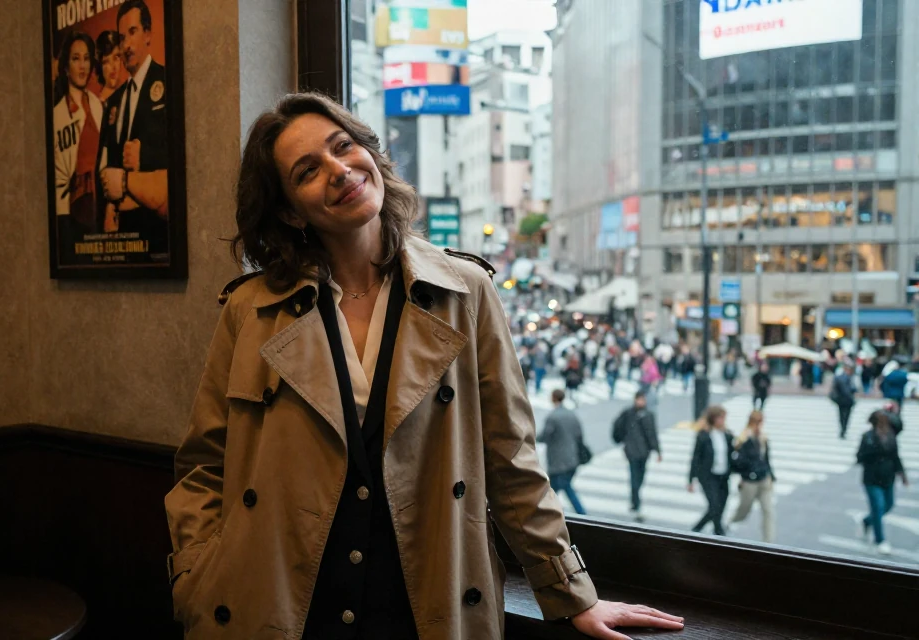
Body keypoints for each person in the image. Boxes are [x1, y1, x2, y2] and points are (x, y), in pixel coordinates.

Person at [164, 93, 684, 639]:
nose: (339, 171)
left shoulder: (466, 293)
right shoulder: (252, 311)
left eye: (344, 147)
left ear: (370, 153)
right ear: (292, 208)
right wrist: (197, 576)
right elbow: (204, 464)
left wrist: (571, 591)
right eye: (308, 170)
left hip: (424, 601)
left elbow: (511, 458)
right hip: (277, 604)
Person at [98, 0, 171, 258]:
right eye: (121, 37)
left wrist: (146, 156)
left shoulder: (167, 81)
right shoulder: (115, 101)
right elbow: (109, 162)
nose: (126, 45)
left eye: (133, 32)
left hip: (158, 232)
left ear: (148, 34)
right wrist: (110, 206)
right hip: (124, 232)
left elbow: (189, 155)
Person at [52, 31, 104, 241]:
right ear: (66, 67)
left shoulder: (99, 106)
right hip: (67, 217)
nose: (82, 66)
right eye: (75, 59)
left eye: (86, 58)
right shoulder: (57, 116)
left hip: (97, 210)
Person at [857, 411, 909, 555]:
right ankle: (880, 540)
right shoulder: (868, 437)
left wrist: (902, 474)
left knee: (888, 505)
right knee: (878, 507)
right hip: (872, 479)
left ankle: (867, 521)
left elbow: (896, 456)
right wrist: (872, 450)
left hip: (888, 478)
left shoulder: (891, 436)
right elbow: (859, 457)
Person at [612, 392, 661, 523]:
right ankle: (636, 502)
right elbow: (618, 427)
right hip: (632, 450)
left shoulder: (648, 415)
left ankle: (635, 499)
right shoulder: (628, 413)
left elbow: (652, 433)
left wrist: (657, 450)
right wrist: (622, 440)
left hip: (644, 451)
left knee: (640, 476)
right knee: (635, 476)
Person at [727, 411, 776, 543]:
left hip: (764, 479)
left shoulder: (762, 437)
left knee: (768, 511)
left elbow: (766, 458)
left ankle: (768, 542)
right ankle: (729, 523)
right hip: (750, 481)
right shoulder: (744, 437)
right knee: (744, 510)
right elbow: (737, 460)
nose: (759, 426)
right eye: (757, 422)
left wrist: (771, 475)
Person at [537, 389, 587, 515]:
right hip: (572, 458)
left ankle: (579, 513)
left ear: (553, 398)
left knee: (560, 488)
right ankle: (547, 511)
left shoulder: (553, 417)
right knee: (558, 487)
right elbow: (579, 435)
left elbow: (544, 436)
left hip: (557, 460)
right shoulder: (571, 414)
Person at [689, 406, 733, 536]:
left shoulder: (727, 435)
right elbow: (695, 457)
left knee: (721, 506)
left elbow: (732, 456)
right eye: (720, 418)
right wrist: (691, 479)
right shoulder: (704, 436)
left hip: (723, 476)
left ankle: (707, 530)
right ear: (713, 418)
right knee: (714, 505)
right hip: (708, 476)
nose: (723, 420)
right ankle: (716, 531)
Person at [94, 30, 123, 103]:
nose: (113, 66)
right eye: (106, 61)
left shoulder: (127, 96)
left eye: (116, 57)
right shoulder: (97, 107)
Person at [831, 362, 858, 439]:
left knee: (843, 416)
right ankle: (843, 429)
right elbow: (845, 390)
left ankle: (843, 429)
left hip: (843, 400)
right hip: (845, 400)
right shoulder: (844, 378)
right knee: (844, 416)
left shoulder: (843, 377)